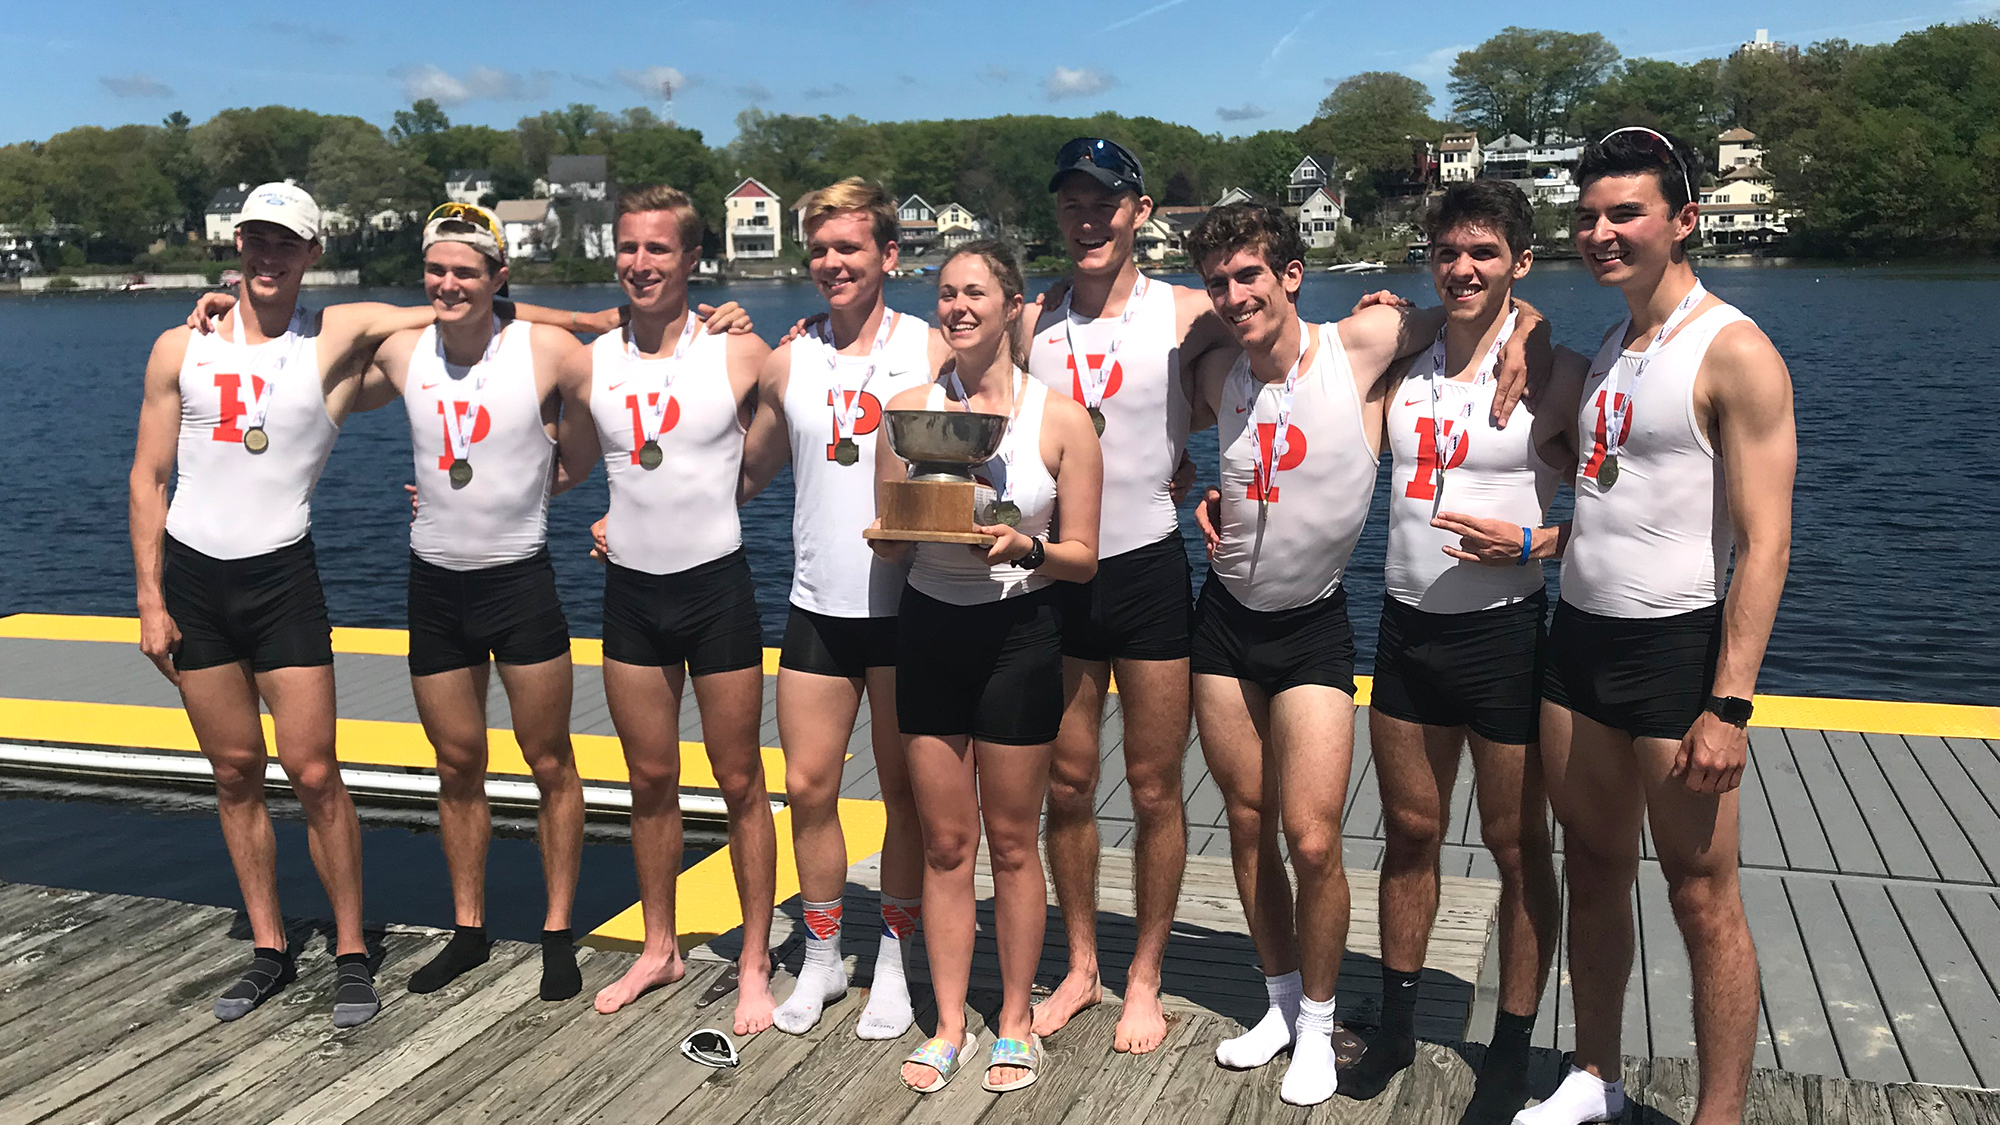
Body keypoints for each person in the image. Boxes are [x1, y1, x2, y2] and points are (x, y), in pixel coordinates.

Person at [1183, 202, 1546, 1107]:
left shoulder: (1363, 342)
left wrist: (1529, 328)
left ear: (1291, 275)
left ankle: (1317, 1018)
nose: (1234, 295)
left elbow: (1478, 301)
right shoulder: (1217, 364)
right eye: (1218, 281)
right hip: (1223, 620)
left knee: (1312, 835)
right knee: (1243, 819)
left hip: (1313, 624)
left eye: (1250, 276)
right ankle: (1272, 1001)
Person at [1517, 128, 1795, 1125]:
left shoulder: (1734, 351)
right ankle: (1594, 1078)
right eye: (1587, 216)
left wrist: (1727, 704)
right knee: (1590, 865)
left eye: (1623, 213)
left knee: (1699, 896)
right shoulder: (1612, 342)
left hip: (1674, 653)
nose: (1599, 232)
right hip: (1576, 643)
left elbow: (1763, 545)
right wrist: (1544, 534)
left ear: (1680, 220)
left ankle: (1716, 1115)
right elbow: (1610, 488)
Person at [1340, 181, 1573, 1124]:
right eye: (1448, 252)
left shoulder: (1554, 372)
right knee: (1412, 833)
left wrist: (1532, 545)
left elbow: (1616, 510)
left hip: (1506, 633)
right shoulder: (1404, 357)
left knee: (1520, 849)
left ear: (1520, 261)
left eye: (1485, 253)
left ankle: (1511, 1050)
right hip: (1407, 630)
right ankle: (1397, 1026)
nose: (1464, 268)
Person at [130, 183, 389, 1028]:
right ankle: (270, 947)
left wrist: (602, 326)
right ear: (236, 244)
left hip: (283, 579)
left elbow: (461, 322)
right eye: (257, 241)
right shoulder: (180, 345)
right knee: (236, 771)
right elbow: (149, 477)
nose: (268, 257)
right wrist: (148, 598)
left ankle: (352, 950)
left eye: (287, 244)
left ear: (313, 254)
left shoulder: (333, 347)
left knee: (315, 772)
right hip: (196, 584)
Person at [877, 241, 1103, 1094]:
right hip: (931, 628)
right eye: (946, 293)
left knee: (1011, 840)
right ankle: (946, 1023)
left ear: (1013, 307)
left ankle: (1012, 1018)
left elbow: (1083, 555)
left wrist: (1028, 545)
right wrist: (912, 525)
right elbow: (891, 544)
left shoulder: (1061, 419)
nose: (958, 306)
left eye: (976, 292)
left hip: (1020, 631)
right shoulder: (905, 409)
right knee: (944, 842)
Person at [555, 184, 780, 1036]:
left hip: (715, 588)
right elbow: (567, 465)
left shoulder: (738, 351)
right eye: (628, 248)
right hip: (632, 596)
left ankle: (755, 957)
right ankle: (660, 945)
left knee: (739, 781)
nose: (640, 263)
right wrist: (464, 496)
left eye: (658, 249)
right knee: (649, 780)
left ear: (692, 259)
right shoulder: (591, 360)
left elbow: (832, 389)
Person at [1023, 137, 1231, 1054]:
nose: (1088, 217)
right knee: (1066, 783)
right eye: (1072, 201)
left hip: (1146, 567)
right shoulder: (1032, 322)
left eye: (1106, 201)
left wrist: (1501, 330)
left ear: (1140, 212)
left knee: (1153, 787)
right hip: (1055, 575)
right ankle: (1080, 964)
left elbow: (1306, 347)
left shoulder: (1189, 313)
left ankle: (1145, 973)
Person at [352, 207, 589, 1001]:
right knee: (457, 764)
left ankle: (558, 931)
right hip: (435, 583)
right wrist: (221, 306)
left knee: (549, 759)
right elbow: (311, 356)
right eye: (436, 270)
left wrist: (541, 484)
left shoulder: (546, 349)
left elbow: (595, 435)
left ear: (499, 278)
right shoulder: (400, 349)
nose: (448, 284)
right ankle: (470, 931)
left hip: (518, 580)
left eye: (466, 271)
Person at [737, 178, 946, 1038]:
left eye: (849, 248)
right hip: (817, 604)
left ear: (888, 256)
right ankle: (822, 957)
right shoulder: (789, 361)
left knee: (903, 794)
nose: (831, 264)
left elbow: (1004, 425)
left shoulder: (931, 349)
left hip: (909, 607)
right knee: (808, 784)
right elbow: (744, 474)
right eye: (819, 250)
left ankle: (895, 958)